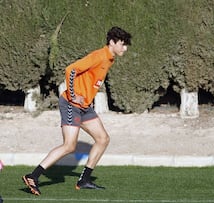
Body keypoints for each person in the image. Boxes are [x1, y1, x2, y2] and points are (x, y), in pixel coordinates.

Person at [22, 26, 132, 195]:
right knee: (69, 145)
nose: (125, 48)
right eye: (123, 44)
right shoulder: (99, 56)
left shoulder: (110, 59)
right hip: (71, 104)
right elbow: (70, 70)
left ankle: (84, 180)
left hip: (84, 107)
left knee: (103, 139)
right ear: (112, 42)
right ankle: (33, 176)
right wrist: (73, 95)